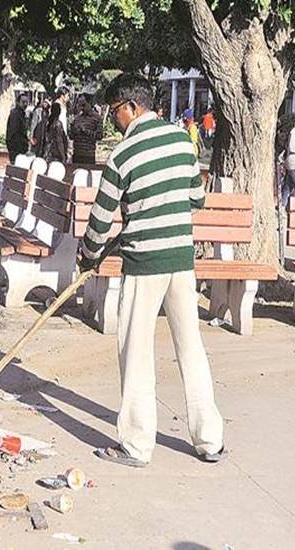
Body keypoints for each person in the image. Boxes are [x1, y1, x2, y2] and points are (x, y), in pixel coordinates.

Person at [77, 73, 224, 468]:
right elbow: (196, 199)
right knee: (190, 346)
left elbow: (101, 217)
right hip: (180, 259)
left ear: (132, 107)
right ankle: (209, 439)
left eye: (115, 112)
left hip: (143, 263)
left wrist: (87, 254)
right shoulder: (181, 140)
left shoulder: (124, 154)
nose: (114, 120)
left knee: (136, 350)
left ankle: (137, 444)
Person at [70, 94, 103, 164]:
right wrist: (74, 131)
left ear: (90, 103)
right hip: (77, 155)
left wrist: (85, 131)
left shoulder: (97, 118)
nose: (82, 108)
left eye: (84, 105)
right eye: (80, 105)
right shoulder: (77, 119)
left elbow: (99, 136)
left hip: (88, 155)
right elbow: (71, 136)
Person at [5, 93, 29, 162]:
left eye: (26, 102)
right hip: (16, 148)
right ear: (18, 102)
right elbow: (13, 132)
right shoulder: (15, 114)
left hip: (21, 148)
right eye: (23, 102)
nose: (25, 104)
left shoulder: (22, 114)